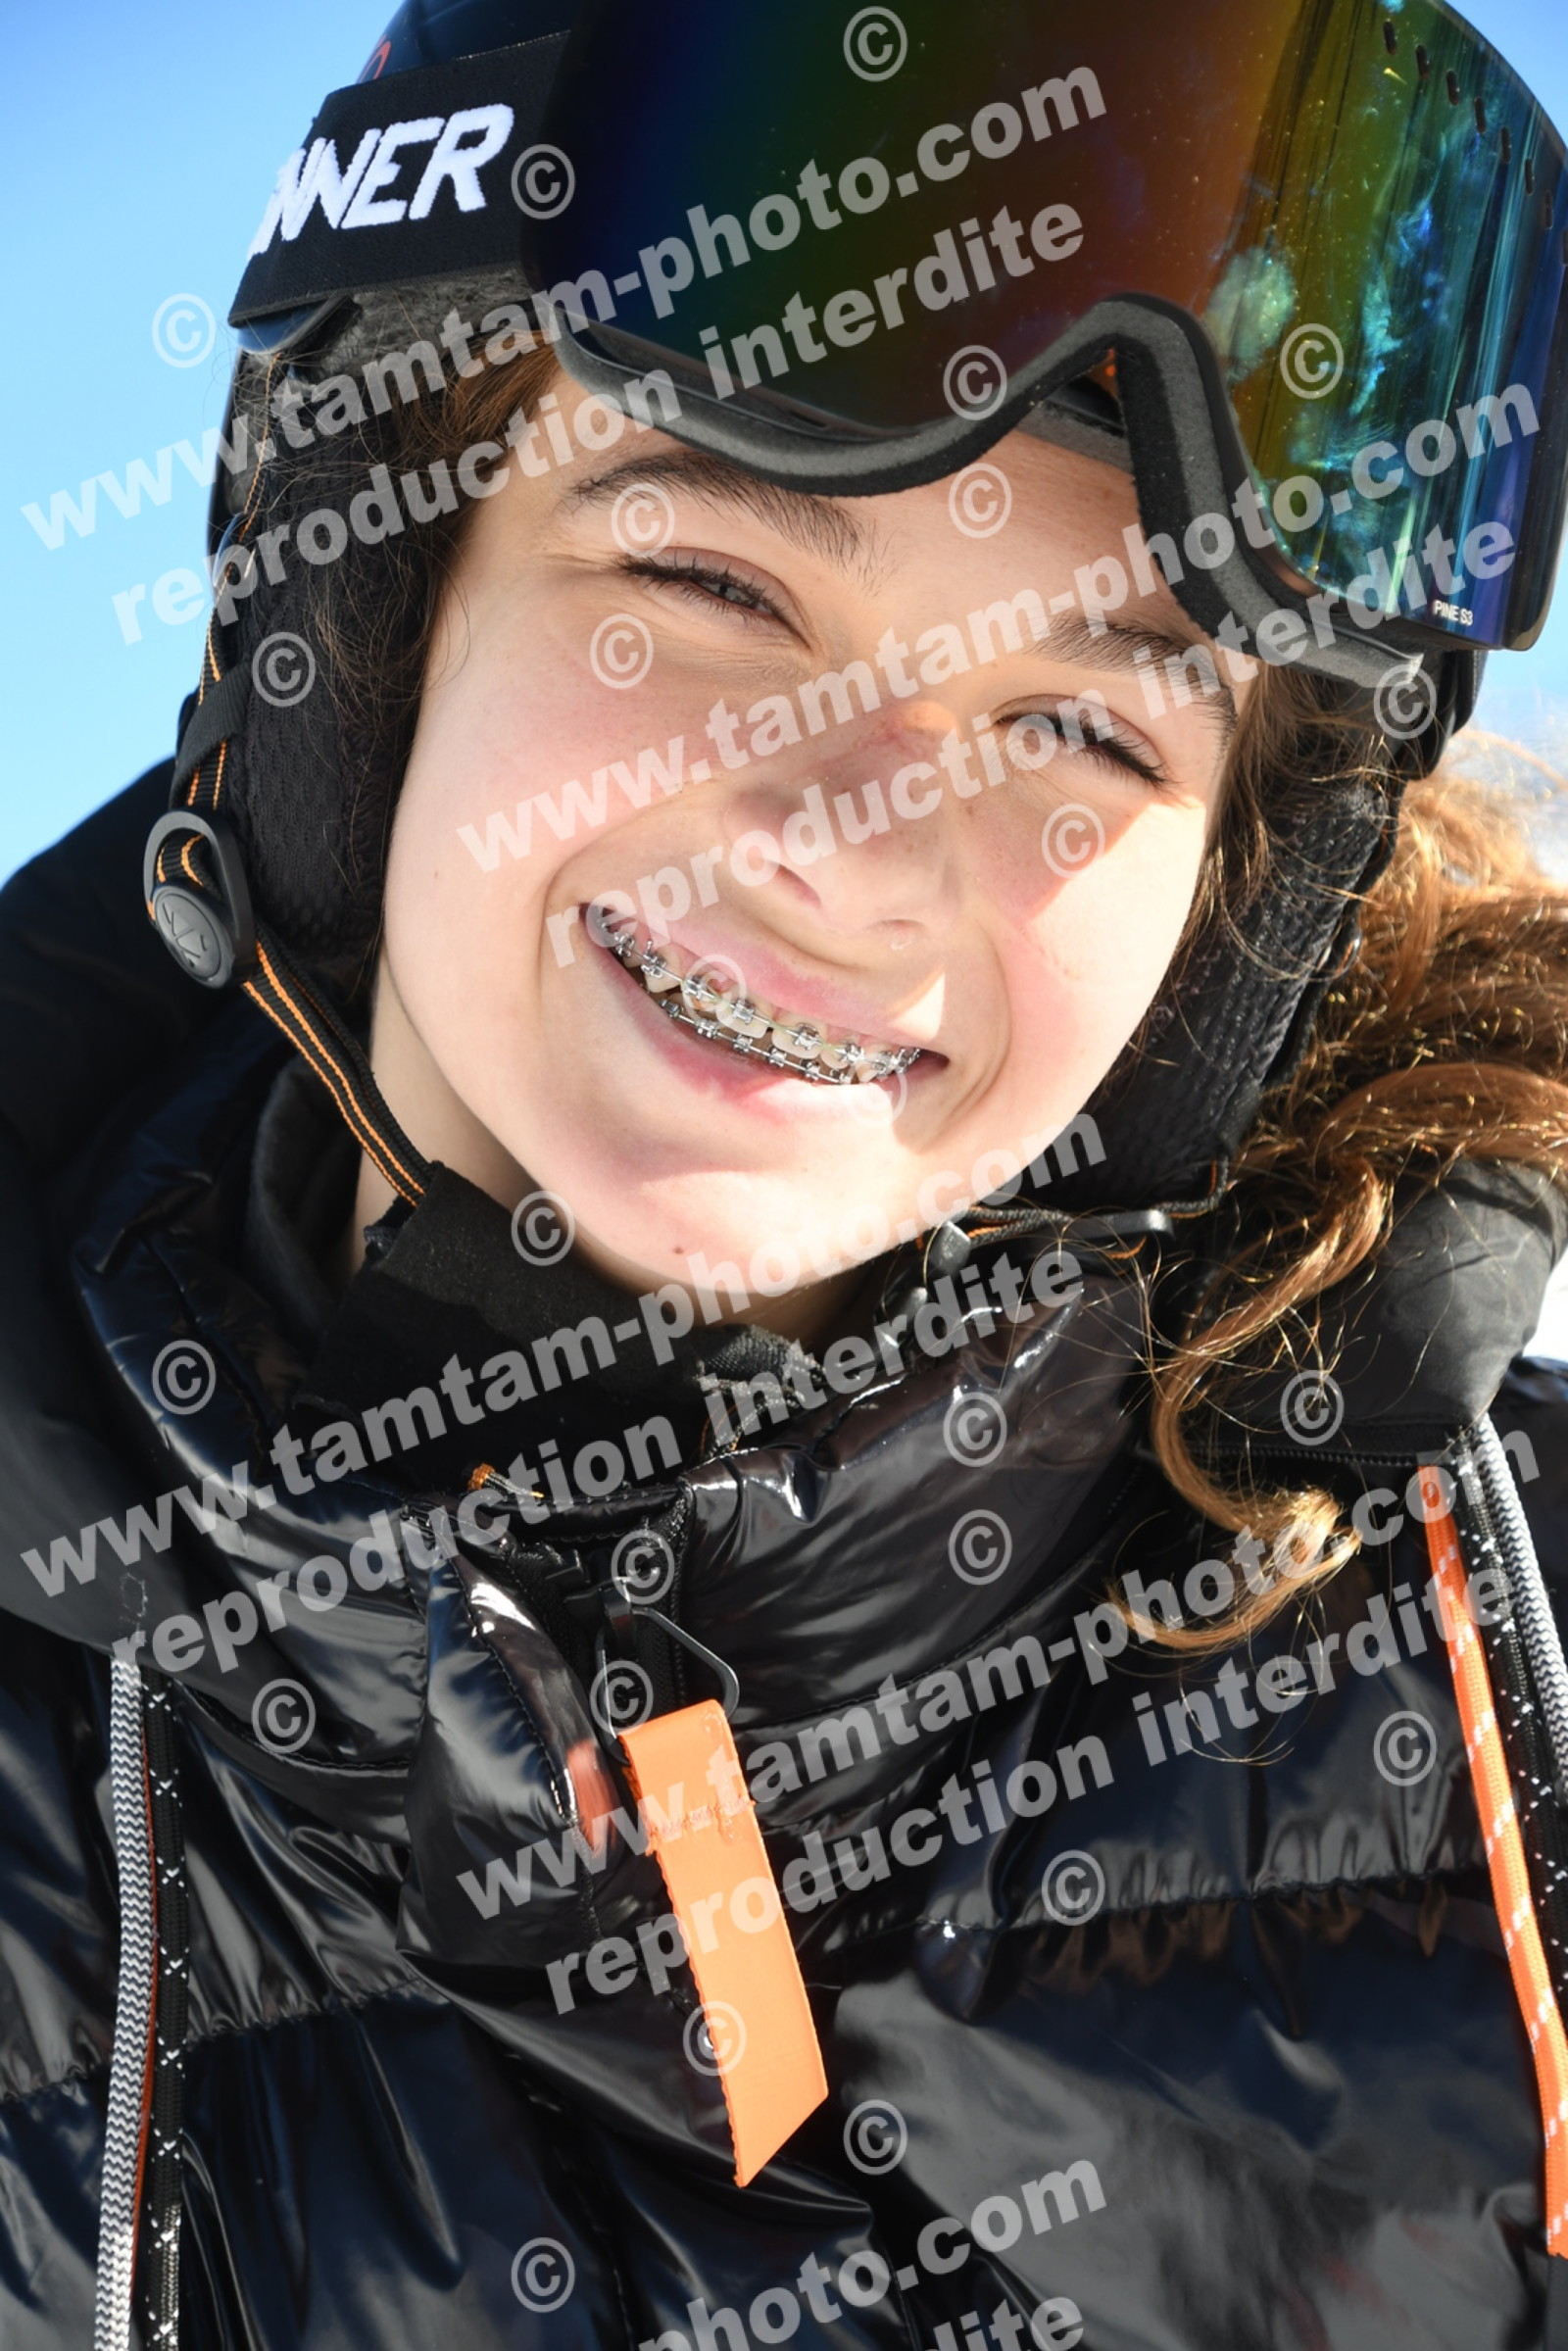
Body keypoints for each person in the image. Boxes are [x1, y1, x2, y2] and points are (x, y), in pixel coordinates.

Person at [6, 1, 1568, 2344]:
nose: (850, 840)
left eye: (1075, 724)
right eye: (715, 586)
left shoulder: (1510, 1710)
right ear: (371, 631)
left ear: (1226, 918)